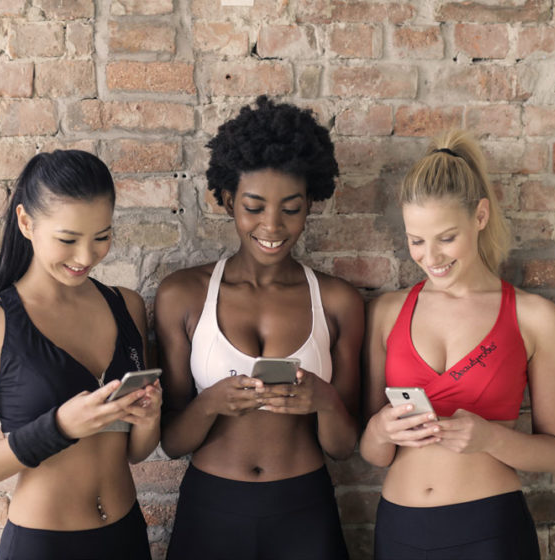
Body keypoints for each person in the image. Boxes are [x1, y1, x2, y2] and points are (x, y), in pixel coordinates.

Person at [155, 96, 363, 560]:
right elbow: (170, 442)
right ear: (228, 199)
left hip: (303, 507)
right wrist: (212, 403)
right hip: (212, 507)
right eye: (254, 206)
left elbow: (345, 448)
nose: (272, 225)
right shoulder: (182, 295)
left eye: (291, 208)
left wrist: (323, 401)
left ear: (311, 203)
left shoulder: (337, 300)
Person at [0, 150, 161, 560]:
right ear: (26, 222)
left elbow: (135, 451)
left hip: (126, 537)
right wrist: (58, 427)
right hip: (43, 546)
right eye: (68, 240)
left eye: (102, 237)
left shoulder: (125, 305)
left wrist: (148, 418)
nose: (85, 258)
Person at [360, 130, 555, 559]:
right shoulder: (386, 312)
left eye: (446, 237)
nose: (431, 257)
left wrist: (490, 438)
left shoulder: (535, 317)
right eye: (416, 241)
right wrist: (380, 429)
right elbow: (373, 454)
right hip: (400, 530)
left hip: (489, 532)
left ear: (480, 216)